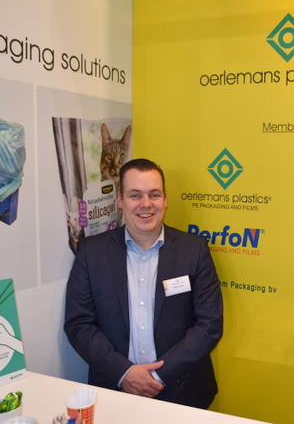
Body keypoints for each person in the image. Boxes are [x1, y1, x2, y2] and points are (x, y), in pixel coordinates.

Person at [64, 158, 223, 409]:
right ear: (120, 200)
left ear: (165, 199)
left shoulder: (194, 250)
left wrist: (158, 376)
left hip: (183, 392)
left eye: (154, 194)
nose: (146, 204)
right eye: (135, 195)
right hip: (115, 391)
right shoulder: (91, 252)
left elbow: (209, 325)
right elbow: (79, 324)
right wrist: (124, 373)